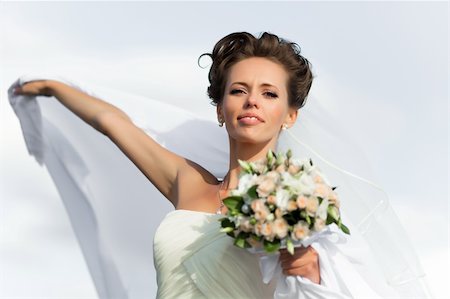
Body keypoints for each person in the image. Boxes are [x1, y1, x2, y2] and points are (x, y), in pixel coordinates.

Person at [9, 31, 431, 298]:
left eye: (269, 94)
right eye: (239, 90)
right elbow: (113, 123)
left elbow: (326, 285)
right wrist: (53, 87)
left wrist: (308, 267)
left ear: (290, 116)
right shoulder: (186, 181)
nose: (251, 101)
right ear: (220, 109)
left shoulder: (303, 205)